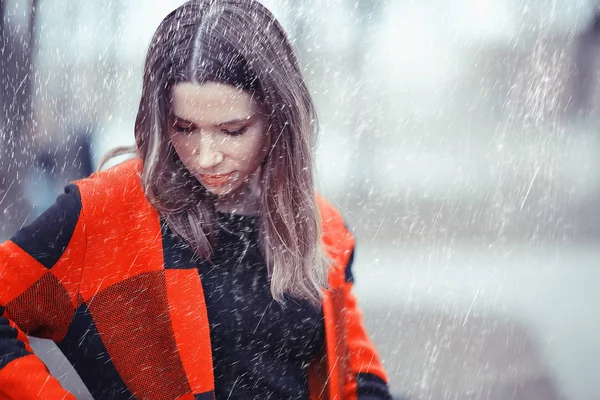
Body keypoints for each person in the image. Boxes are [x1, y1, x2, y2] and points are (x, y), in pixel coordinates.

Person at [0, 1, 392, 399]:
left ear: (278, 117)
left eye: (232, 130)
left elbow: (356, 374)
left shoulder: (321, 225)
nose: (206, 156)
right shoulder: (110, 210)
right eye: (184, 127)